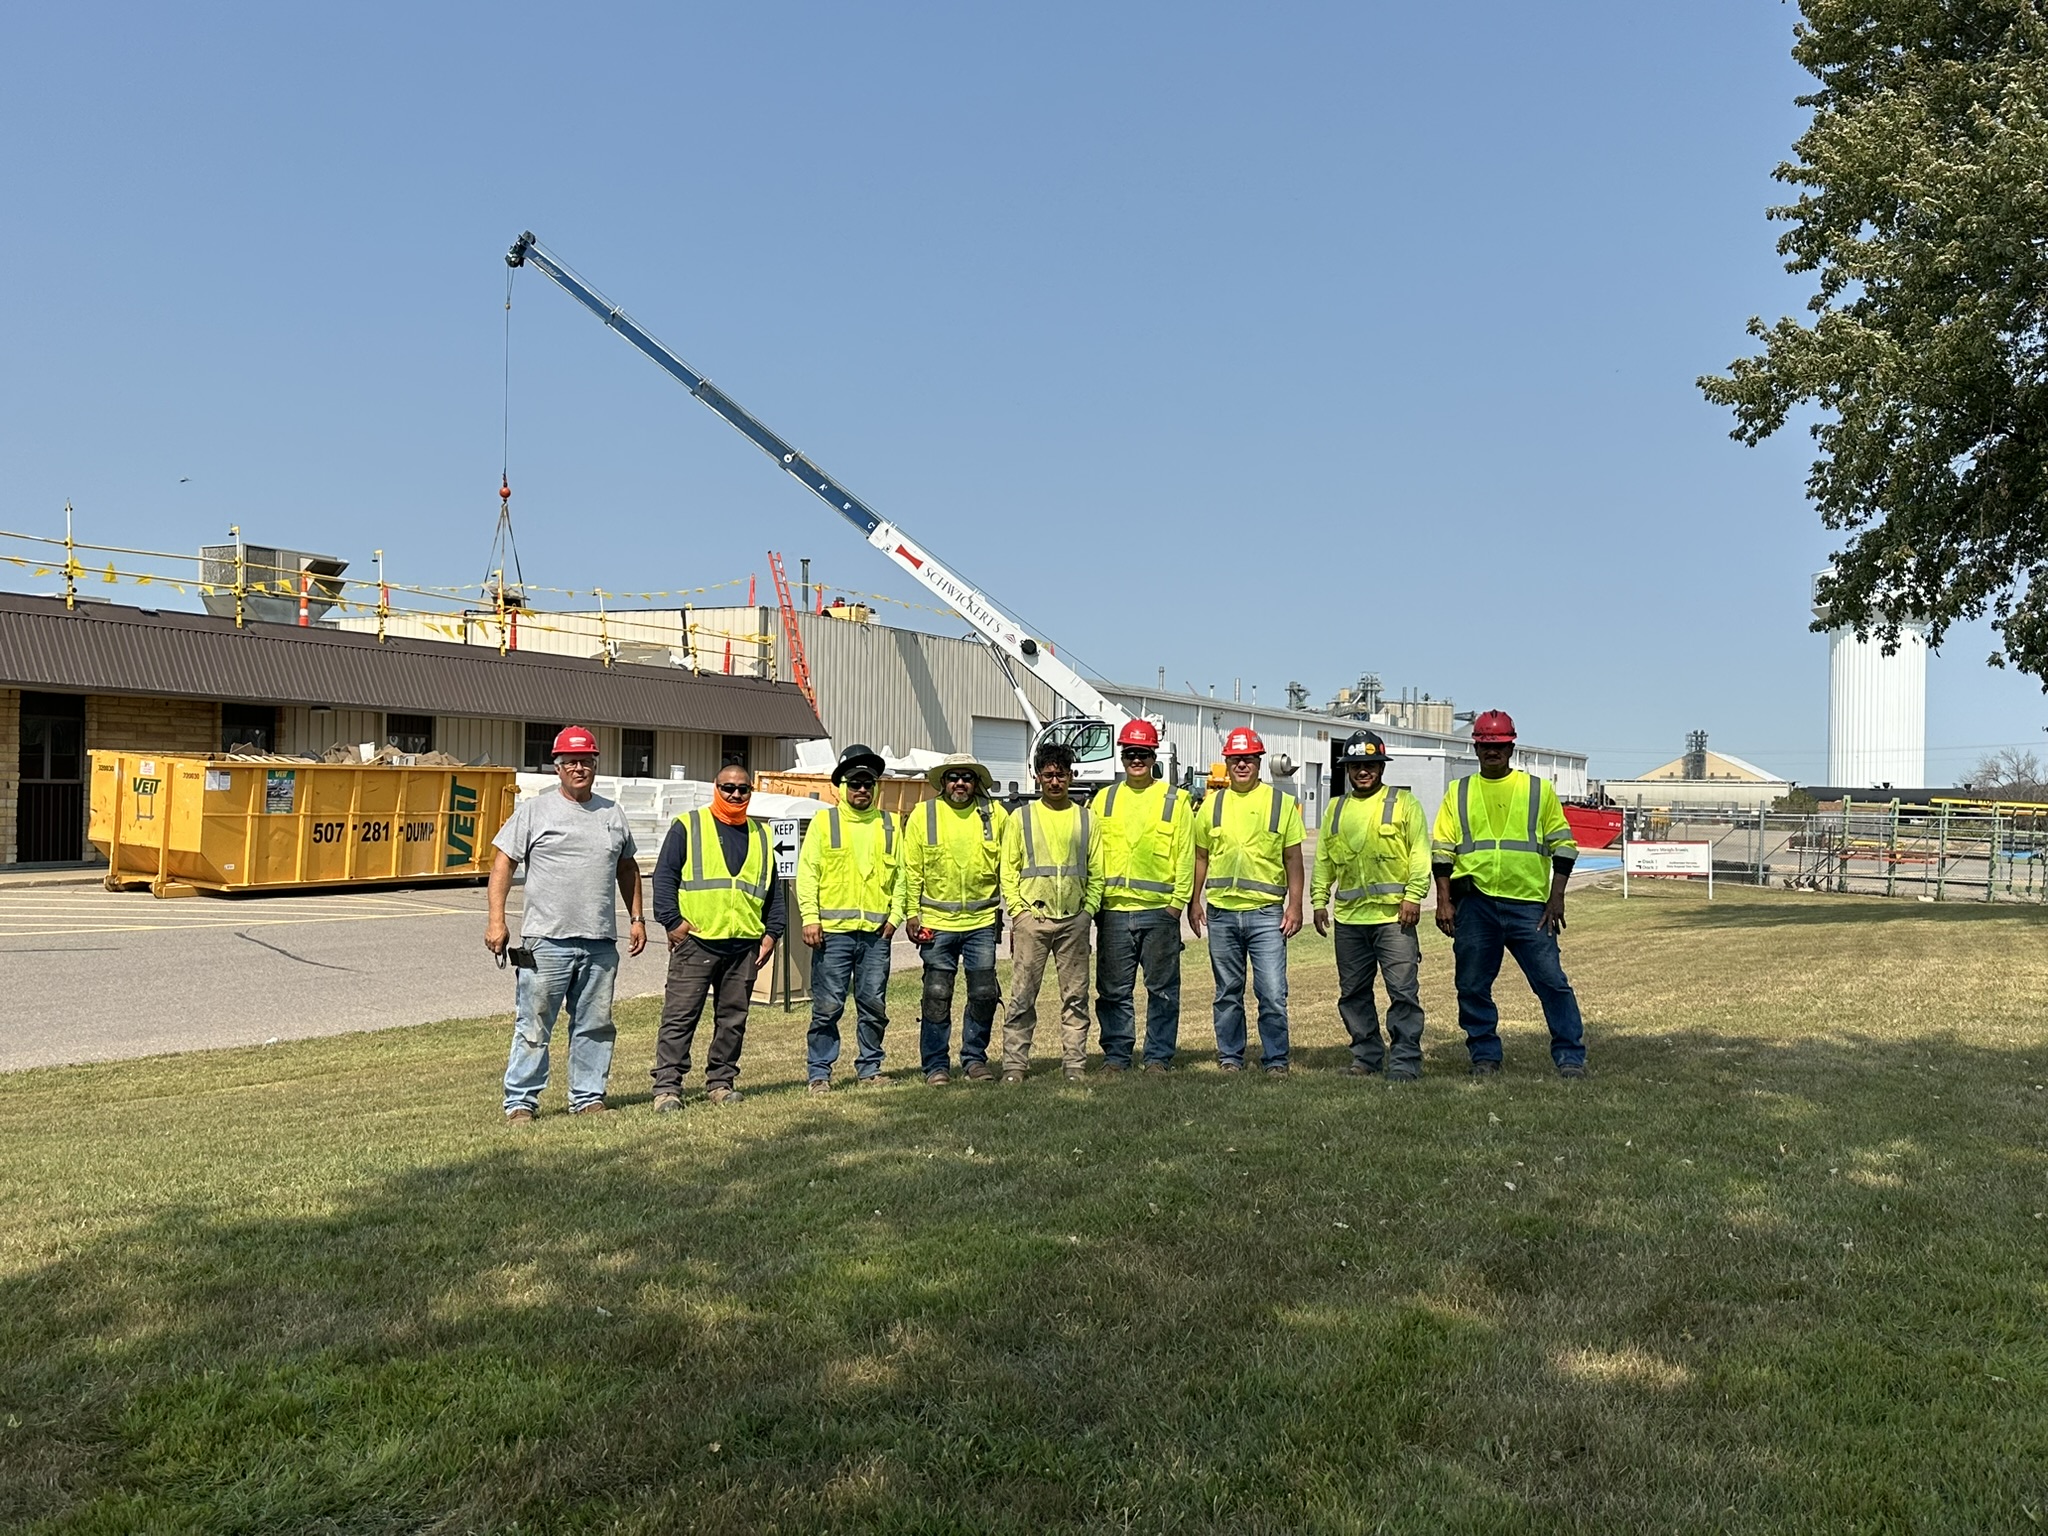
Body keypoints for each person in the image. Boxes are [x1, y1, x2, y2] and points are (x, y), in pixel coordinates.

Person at [485, 725, 645, 1121]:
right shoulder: (535, 812)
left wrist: (637, 918)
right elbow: (503, 862)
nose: (579, 767)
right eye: (571, 761)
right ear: (557, 767)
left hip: (599, 942)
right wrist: (496, 921)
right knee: (534, 1025)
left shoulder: (612, 813)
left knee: (595, 1025)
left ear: (595, 765)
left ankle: (588, 1097)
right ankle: (521, 1101)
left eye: (587, 760)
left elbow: (628, 868)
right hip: (545, 942)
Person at [1430, 709, 1586, 1078]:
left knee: (1552, 983)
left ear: (1511, 746)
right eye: (1485, 745)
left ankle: (1570, 1058)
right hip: (1476, 904)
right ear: (1475, 748)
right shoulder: (1460, 791)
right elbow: (1442, 851)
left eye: (1498, 745)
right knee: (1471, 984)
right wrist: (1443, 900)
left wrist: (1557, 895)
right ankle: (1484, 1055)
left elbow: (1563, 845)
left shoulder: (1537, 790)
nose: (1492, 752)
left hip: (1529, 906)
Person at [648, 763, 781, 1111]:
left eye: (743, 789)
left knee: (733, 1020)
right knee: (680, 1017)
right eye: (728, 788)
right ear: (715, 788)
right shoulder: (688, 826)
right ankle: (667, 1088)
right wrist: (672, 922)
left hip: (743, 945)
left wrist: (772, 933)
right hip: (697, 942)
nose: (735, 794)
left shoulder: (762, 834)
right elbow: (664, 878)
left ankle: (721, 1082)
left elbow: (774, 890)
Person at [1312, 730, 1431, 1080]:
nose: (1363, 771)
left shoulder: (1404, 804)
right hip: (1350, 920)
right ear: (1347, 770)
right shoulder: (1335, 808)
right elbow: (1323, 861)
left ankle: (1405, 1061)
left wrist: (1413, 896)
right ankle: (1365, 1057)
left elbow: (1420, 854)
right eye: (1356, 766)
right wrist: (1319, 901)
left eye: (1370, 765)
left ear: (1381, 766)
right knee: (1353, 994)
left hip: (1394, 918)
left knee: (1403, 992)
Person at [1190, 727, 1305, 1075]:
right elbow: (1201, 857)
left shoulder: (1280, 804)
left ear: (1259, 762)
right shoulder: (1211, 804)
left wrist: (1296, 905)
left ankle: (1276, 1060)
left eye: (1249, 759)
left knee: (1271, 992)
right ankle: (1230, 1057)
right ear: (1226, 762)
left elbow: (1293, 860)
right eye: (1236, 759)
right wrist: (1194, 901)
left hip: (1266, 914)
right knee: (1228, 991)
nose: (1242, 764)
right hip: (1222, 912)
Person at [898, 753, 1010, 1086]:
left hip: (980, 923)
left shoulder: (995, 815)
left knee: (984, 993)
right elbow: (911, 868)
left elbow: (1012, 862)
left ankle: (975, 1060)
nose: (959, 783)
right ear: (943, 782)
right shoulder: (924, 814)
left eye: (966, 777)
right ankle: (935, 1066)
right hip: (937, 923)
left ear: (976, 783)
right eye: (953, 777)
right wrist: (911, 913)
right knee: (936, 995)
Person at [796, 744, 900, 1091]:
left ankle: (869, 1069)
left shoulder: (890, 824)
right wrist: (810, 917)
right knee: (827, 1007)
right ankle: (820, 1073)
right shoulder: (825, 822)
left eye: (868, 783)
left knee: (873, 1004)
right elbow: (808, 872)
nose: (861, 790)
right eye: (855, 783)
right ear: (842, 785)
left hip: (875, 935)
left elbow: (903, 876)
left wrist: (894, 917)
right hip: (833, 935)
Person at [999, 741, 1105, 1083]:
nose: (1055, 781)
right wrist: (1019, 912)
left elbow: (1097, 871)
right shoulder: (1022, 818)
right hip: (1033, 919)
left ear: (1071, 776)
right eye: (1048, 775)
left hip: (1074, 919)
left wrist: (1087, 911)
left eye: (1061, 775)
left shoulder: (1087, 818)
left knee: (1075, 997)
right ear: (1037, 777)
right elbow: (1008, 869)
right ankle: (1015, 1065)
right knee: (1022, 995)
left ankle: (1074, 1064)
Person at [1092, 718, 1194, 1074]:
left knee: (1163, 990)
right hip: (1114, 912)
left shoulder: (1175, 799)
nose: (1136, 760)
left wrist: (1175, 905)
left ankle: (1157, 1058)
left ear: (1154, 758)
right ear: (1122, 757)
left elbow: (1185, 854)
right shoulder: (1103, 799)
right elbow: (1091, 855)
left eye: (1143, 754)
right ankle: (1117, 1057)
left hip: (1158, 913)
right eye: (1130, 753)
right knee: (1113, 992)